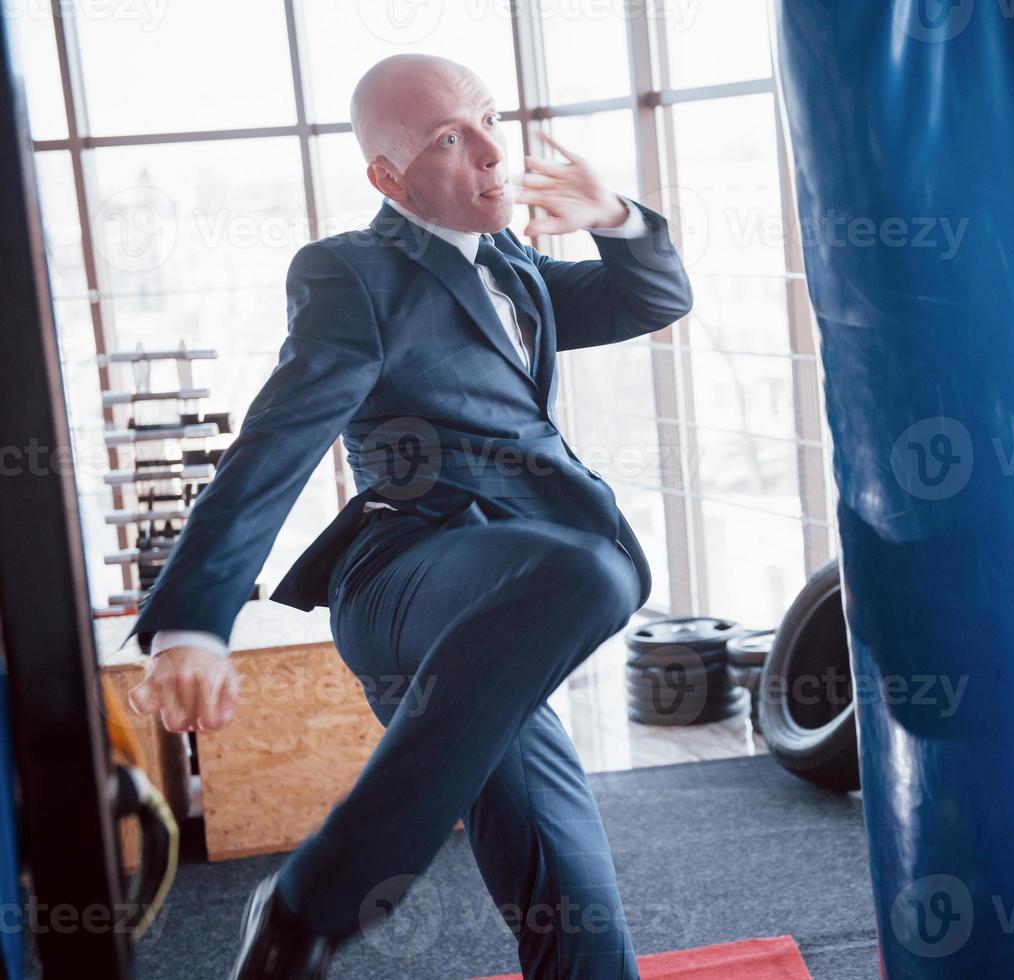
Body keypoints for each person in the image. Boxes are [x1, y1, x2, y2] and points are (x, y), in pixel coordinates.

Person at [122, 52, 693, 979]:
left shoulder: (513, 264)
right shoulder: (354, 275)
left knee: (576, 907)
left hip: (500, 623)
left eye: (487, 122)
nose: (489, 152)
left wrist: (617, 219)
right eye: (446, 139)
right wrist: (195, 617)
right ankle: (310, 900)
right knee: (590, 568)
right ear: (387, 177)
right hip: (406, 578)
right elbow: (275, 445)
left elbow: (651, 296)